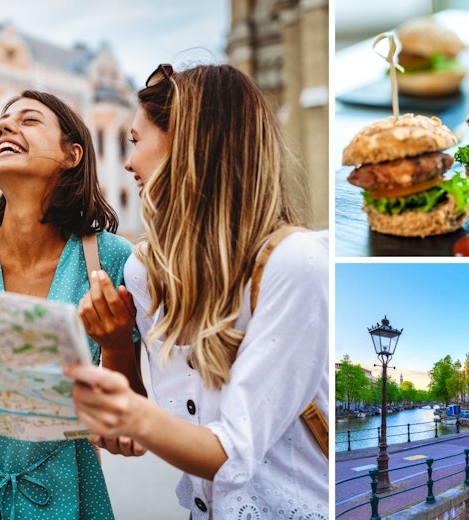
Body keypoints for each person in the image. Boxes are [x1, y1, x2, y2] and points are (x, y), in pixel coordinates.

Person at [65, 64, 329, 519]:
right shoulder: (145, 270)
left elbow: (231, 452)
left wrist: (124, 409)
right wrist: (114, 347)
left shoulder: (294, 263)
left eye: (136, 141)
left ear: (187, 143)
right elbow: (146, 434)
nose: (128, 162)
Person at [0, 90, 145, 519]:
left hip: (72, 497)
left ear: (72, 155)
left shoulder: (111, 258)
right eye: (0, 122)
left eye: (28, 120)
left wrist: (116, 345)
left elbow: (131, 422)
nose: (3, 128)